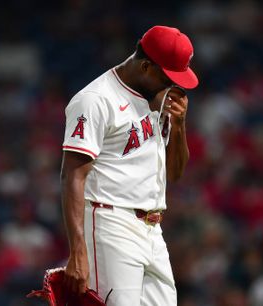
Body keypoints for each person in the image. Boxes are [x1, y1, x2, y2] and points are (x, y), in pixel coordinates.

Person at [60, 25, 198, 305]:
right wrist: (78, 251)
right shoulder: (95, 100)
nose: (173, 83)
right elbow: (72, 175)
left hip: (153, 228)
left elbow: (175, 173)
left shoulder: (161, 98)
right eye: (168, 75)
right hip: (110, 223)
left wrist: (180, 125)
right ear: (146, 66)